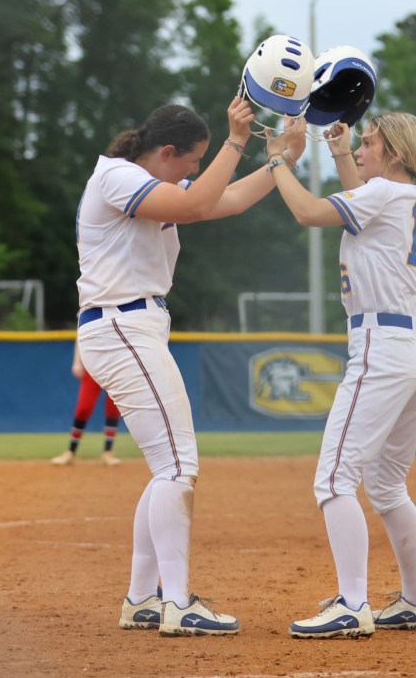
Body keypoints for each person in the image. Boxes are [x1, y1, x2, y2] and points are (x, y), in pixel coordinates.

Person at [75, 98, 306, 637]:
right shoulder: (117, 177)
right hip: (122, 325)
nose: (196, 169)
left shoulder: (144, 182)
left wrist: (281, 162)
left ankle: (143, 599)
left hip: (132, 326)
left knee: (167, 467)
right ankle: (177, 604)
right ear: (166, 151)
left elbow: (228, 199)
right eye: (192, 159)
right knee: (178, 466)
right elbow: (198, 204)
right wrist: (236, 140)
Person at [265, 113, 416, 638]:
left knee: (334, 479)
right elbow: (361, 207)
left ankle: (352, 604)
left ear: (394, 154)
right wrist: (342, 153)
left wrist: (277, 160)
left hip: (380, 348)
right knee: (387, 485)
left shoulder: (384, 193)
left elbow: (308, 212)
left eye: (369, 142)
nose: (361, 148)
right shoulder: (408, 195)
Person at [51, 343, 123, 467]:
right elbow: (80, 337)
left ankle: (108, 452)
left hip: (116, 365)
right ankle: (70, 452)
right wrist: (77, 361)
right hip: (93, 364)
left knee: (113, 409)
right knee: (83, 409)